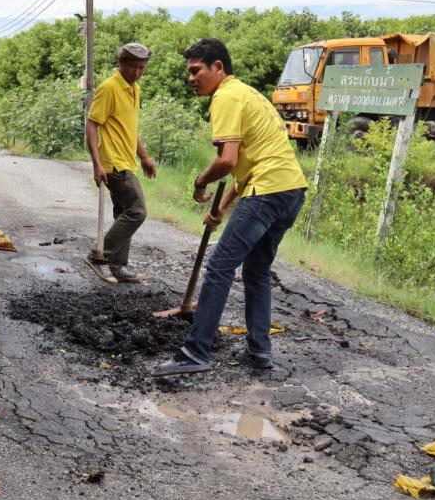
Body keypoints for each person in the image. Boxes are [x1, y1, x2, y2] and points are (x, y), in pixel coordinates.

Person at [154, 38, 308, 376]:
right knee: (256, 271)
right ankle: (259, 352)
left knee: (219, 267)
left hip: (266, 192)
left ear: (218, 67)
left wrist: (199, 181)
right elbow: (247, 168)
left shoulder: (224, 96)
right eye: (189, 72)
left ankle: (195, 352)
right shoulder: (249, 94)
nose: (191, 78)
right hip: (291, 191)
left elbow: (227, 161)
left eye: (196, 71)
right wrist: (220, 210)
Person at [84, 42, 159, 284]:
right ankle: (100, 255)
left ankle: (116, 267)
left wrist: (144, 156)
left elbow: (130, 128)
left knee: (122, 214)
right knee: (137, 212)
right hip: (113, 164)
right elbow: (92, 124)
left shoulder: (133, 88)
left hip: (128, 161)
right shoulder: (109, 88)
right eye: (133, 67)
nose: (137, 72)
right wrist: (97, 164)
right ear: (121, 63)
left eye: (142, 68)